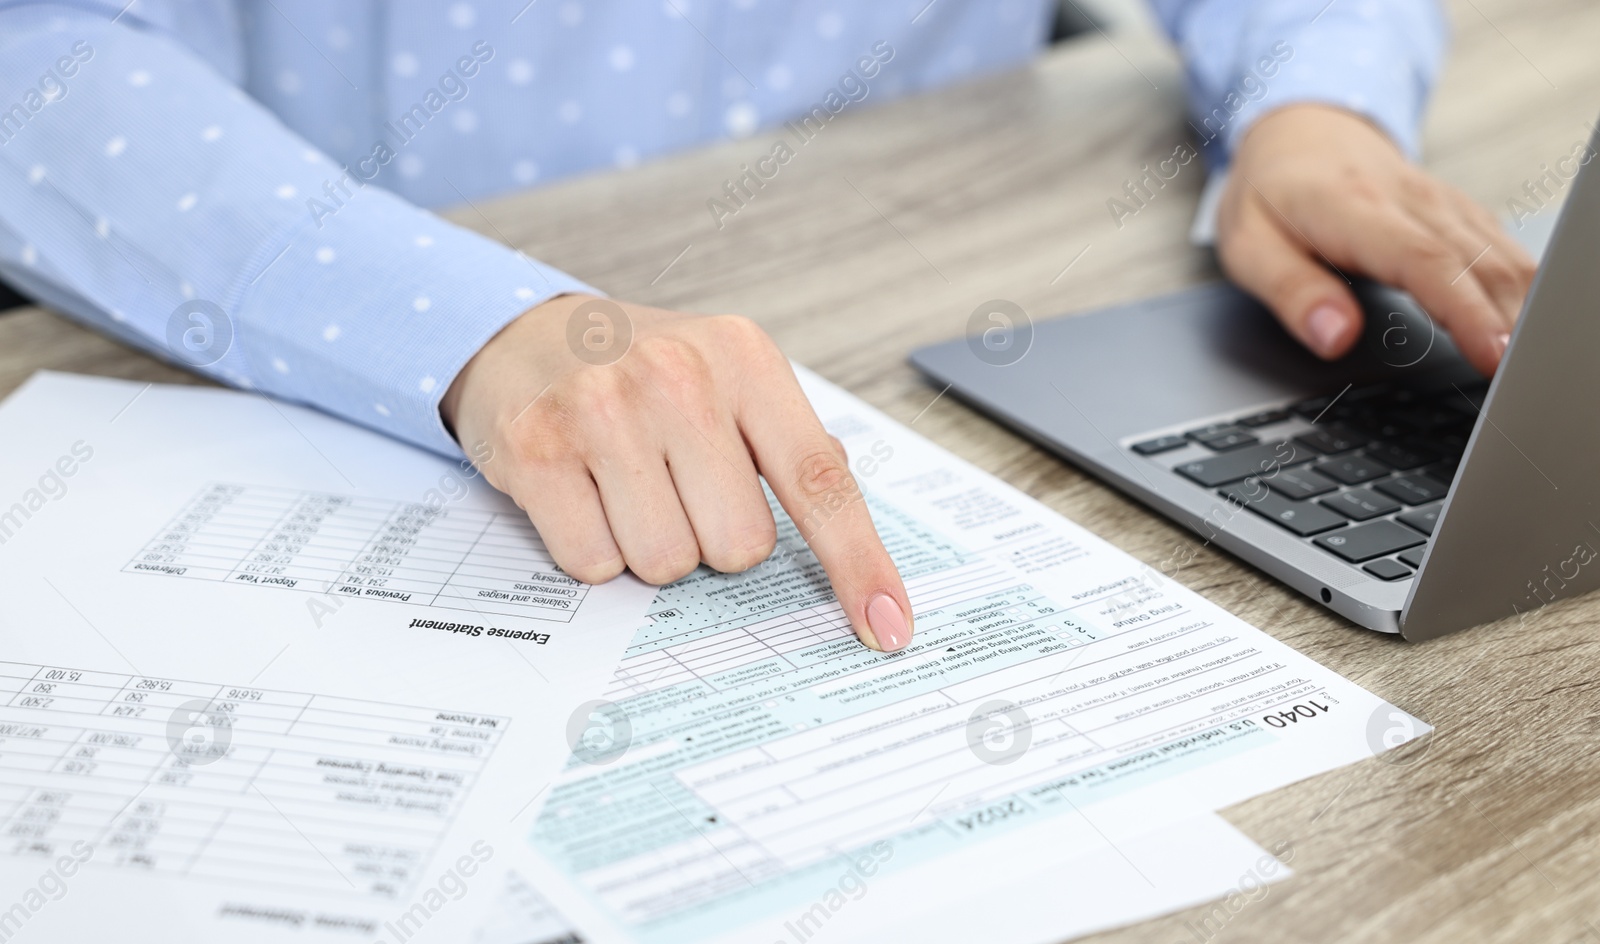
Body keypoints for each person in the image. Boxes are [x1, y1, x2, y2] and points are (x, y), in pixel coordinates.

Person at [0, 1, 1535, 654]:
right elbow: (38, 61)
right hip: (375, 358)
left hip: (950, 315)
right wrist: (478, 327)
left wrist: (1315, 105)